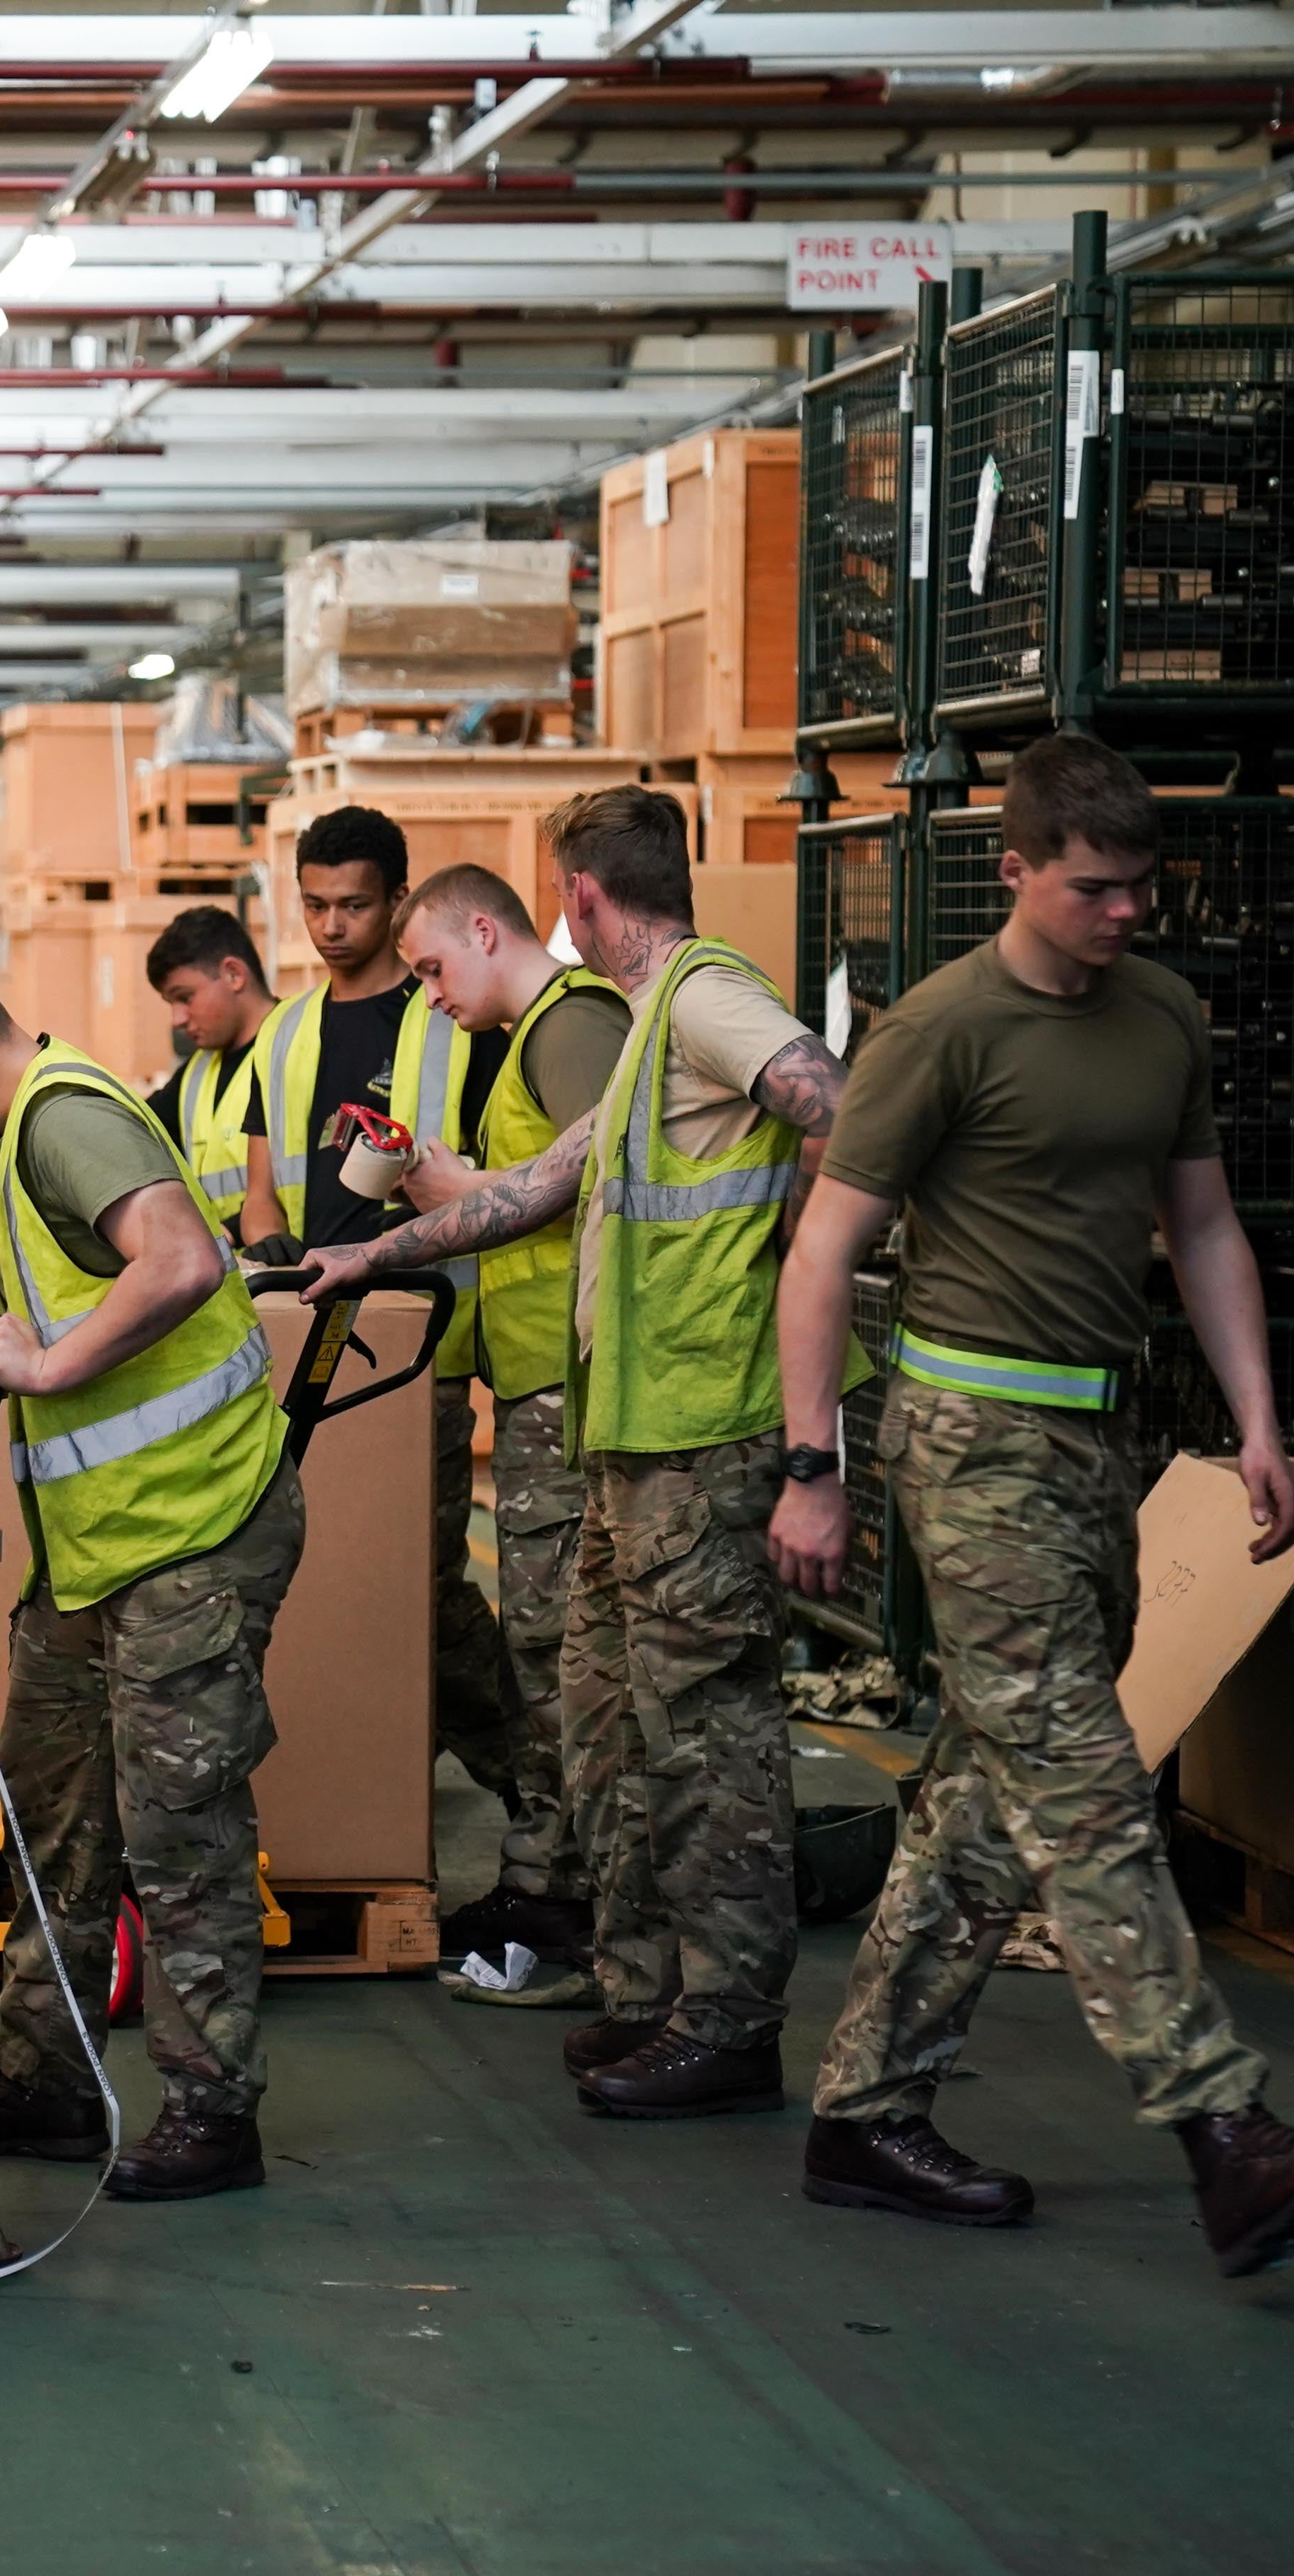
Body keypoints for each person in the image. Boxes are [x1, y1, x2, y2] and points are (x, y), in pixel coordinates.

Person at [775, 733, 1294, 2274]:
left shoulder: (1161, 1018)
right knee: (1084, 1786)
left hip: (1095, 1443)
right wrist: (810, 1465)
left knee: (993, 1792)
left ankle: (861, 2113)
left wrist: (1256, 1425)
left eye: (1138, 889)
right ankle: (1219, 2129)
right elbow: (819, 1254)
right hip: (967, 1441)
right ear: (1016, 870)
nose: (1122, 914)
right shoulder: (940, 1030)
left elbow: (1202, 1228)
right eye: (1093, 888)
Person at [304, 784, 847, 2121]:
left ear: (582, 896)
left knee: (711, 1738)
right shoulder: (654, 1025)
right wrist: (373, 1250)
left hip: (705, 1430)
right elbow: (542, 1182)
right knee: (614, 1724)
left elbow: (840, 1107)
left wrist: (818, 1283)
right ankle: (660, 1994)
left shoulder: (706, 999)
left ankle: (730, 2021)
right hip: (627, 1432)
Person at [0, 929, 303, 2202]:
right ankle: (46, 2077)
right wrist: (12, 1335)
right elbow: (83, 1278)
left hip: (195, 1524)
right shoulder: (1, 1144)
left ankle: (212, 2110)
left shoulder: (62, 1117)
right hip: (99, 1547)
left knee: (178, 1823)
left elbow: (185, 1259)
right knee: (54, 1814)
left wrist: (47, 1364)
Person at [237, 805, 508, 1879]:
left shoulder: (455, 1018)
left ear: (399, 900)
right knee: (336, 1579)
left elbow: (504, 1178)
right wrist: (273, 1264)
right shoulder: (287, 1032)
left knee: (421, 1585)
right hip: (305, 1345)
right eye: (314, 904)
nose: (332, 925)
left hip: (417, 1346)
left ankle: (537, 1787)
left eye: (355, 904)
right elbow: (261, 1193)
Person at [387, 863, 631, 2010]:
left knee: (559, 1652)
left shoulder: (568, 1027)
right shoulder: (537, 1030)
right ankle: (546, 1876)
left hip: (571, 1385)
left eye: (435, 966)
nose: (430, 995)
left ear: (486, 929)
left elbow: (603, 1180)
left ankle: (567, 1899)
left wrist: (455, 1186)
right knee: (546, 1646)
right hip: (538, 1379)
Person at [143, 904, 273, 1240]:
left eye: (184, 998)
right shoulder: (195, 1076)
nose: (178, 1019)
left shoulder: (301, 1045)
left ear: (233, 975)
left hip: (296, 1275)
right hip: (226, 1279)